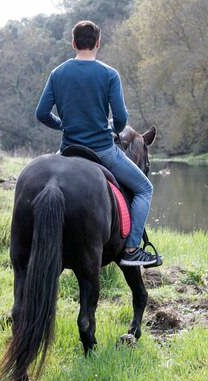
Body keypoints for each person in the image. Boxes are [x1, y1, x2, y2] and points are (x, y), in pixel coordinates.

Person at [35, 20, 161, 267]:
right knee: (145, 189)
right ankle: (132, 248)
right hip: (103, 151)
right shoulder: (109, 74)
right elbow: (122, 118)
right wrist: (112, 130)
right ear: (98, 43)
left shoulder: (57, 73)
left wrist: (63, 124)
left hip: (67, 150)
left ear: (73, 43)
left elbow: (41, 113)